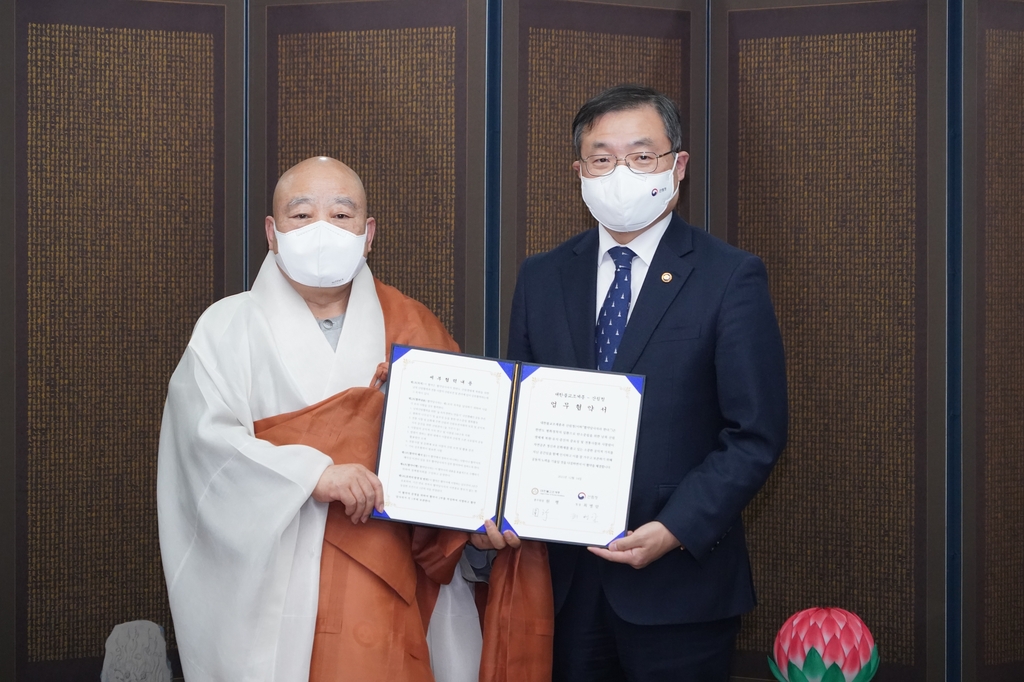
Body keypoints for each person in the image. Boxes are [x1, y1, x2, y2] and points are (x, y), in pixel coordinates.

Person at [158, 157, 551, 682]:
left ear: (368, 235)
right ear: (272, 234)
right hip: (279, 581)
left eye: (341, 215)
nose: (321, 229)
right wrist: (312, 475)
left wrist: (474, 528)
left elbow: (464, 456)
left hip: (392, 580)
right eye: (301, 216)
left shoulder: (413, 325)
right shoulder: (226, 327)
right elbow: (203, 451)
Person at [507, 84, 788, 681]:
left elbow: (755, 433)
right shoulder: (542, 276)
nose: (622, 173)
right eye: (603, 158)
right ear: (579, 171)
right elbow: (517, 416)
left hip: (681, 589)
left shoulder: (730, 276)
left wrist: (675, 528)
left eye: (642, 155)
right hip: (565, 585)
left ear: (677, 166)